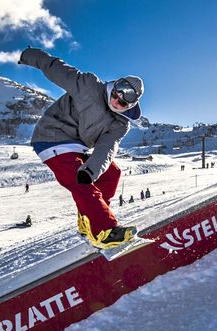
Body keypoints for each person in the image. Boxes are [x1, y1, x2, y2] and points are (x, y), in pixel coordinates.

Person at [20, 47, 144, 249]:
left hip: (78, 146)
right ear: (113, 87)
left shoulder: (120, 124)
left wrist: (91, 170)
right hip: (52, 137)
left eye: (122, 103)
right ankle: (104, 231)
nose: (116, 102)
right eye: (115, 95)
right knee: (81, 184)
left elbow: (106, 148)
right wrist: (30, 55)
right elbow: (55, 68)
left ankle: (88, 222)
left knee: (111, 173)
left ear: (130, 106)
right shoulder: (88, 86)